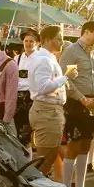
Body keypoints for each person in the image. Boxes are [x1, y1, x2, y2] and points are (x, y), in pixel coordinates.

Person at [58, 21, 94, 187]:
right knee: (74, 144)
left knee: (86, 144)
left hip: (92, 102)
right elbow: (66, 79)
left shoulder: (93, 52)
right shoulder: (71, 51)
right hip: (77, 103)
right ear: (86, 32)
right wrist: (82, 99)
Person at [27, 25, 76, 178]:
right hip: (46, 111)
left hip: (50, 110)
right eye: (59, 38)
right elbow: (43, 87)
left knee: (51, 154)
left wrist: (62, 82)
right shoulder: (43, 60)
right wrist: (66, 77)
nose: (62, 42)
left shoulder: (48, 57)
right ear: (47, 40)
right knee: (45, 158)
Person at [14, 29, 40, 147]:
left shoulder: (40, 58)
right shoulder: (17, 58)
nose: (28, 43)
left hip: (33, 96)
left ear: (37, 43)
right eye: (26, 41)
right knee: (19, 130)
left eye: (31, 41)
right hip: (18, 97)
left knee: (28, 131)